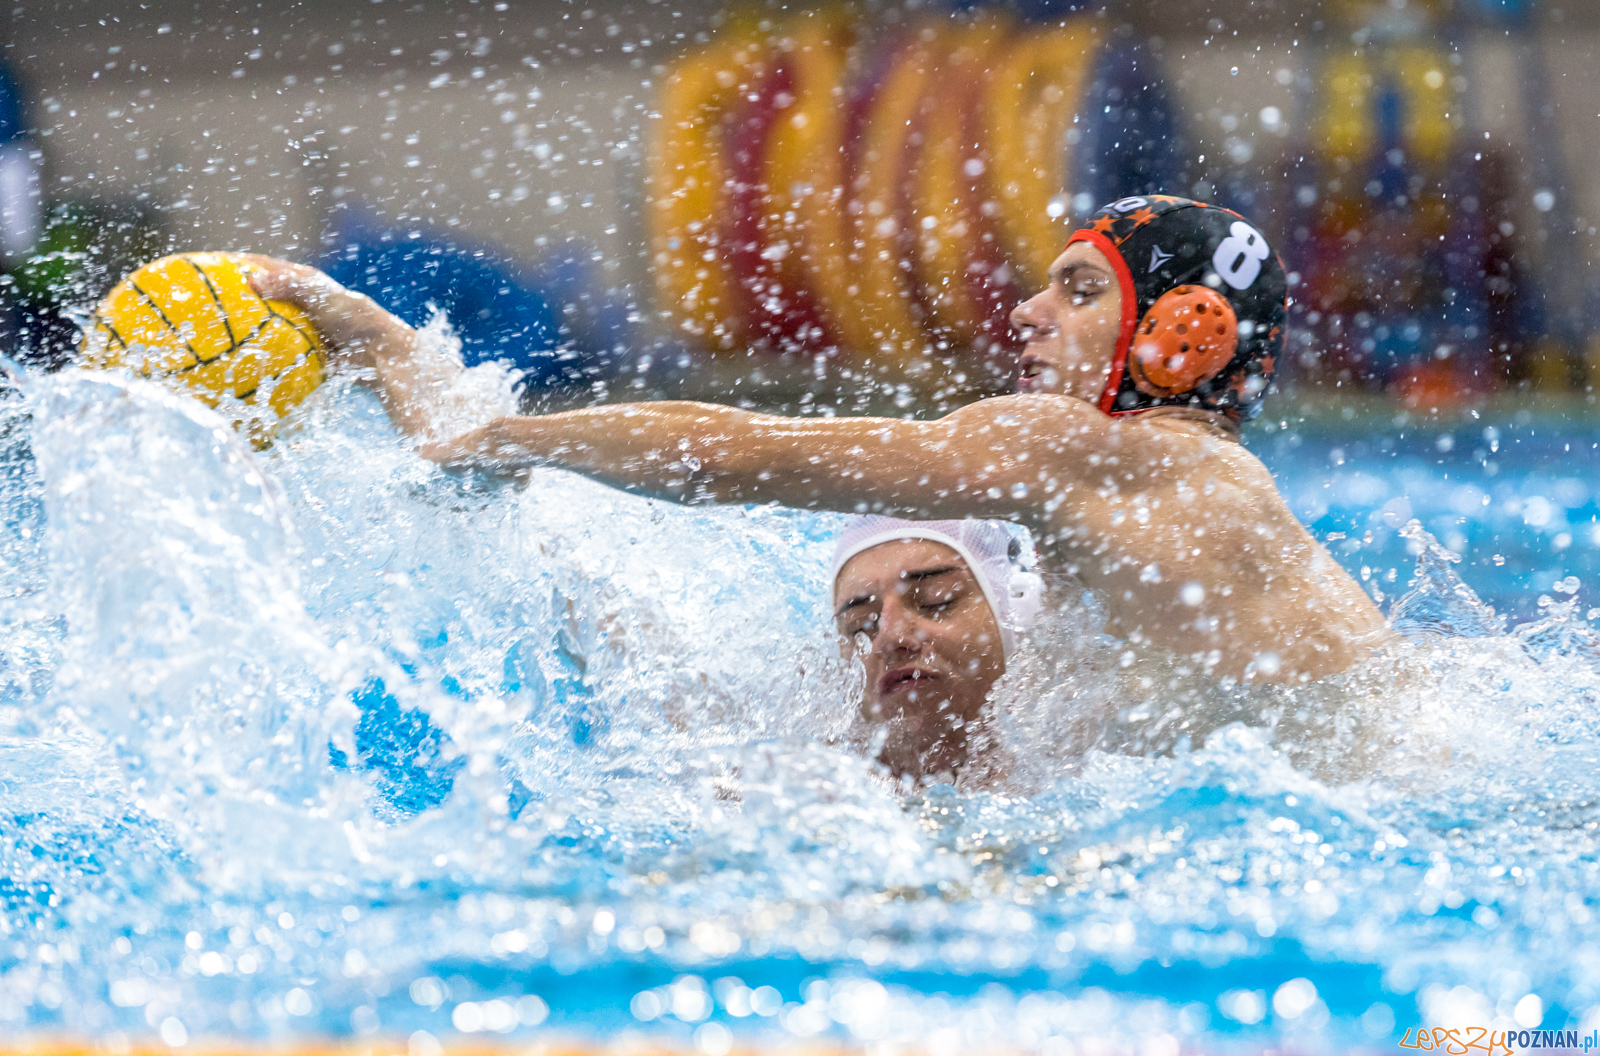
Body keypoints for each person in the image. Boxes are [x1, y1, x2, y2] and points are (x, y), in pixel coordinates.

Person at [242, 194, 1387, 685]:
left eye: (1078, 290)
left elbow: (744, 455)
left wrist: (499, 437)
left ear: (1185, 337)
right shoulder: (1175, 512)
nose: (1025, 313)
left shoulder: (1110, 454)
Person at [829, 516, 1042, 782]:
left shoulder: (1079, 745)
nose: (890, 637)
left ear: (1017, 614)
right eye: (859, 625)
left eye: (937, 600)